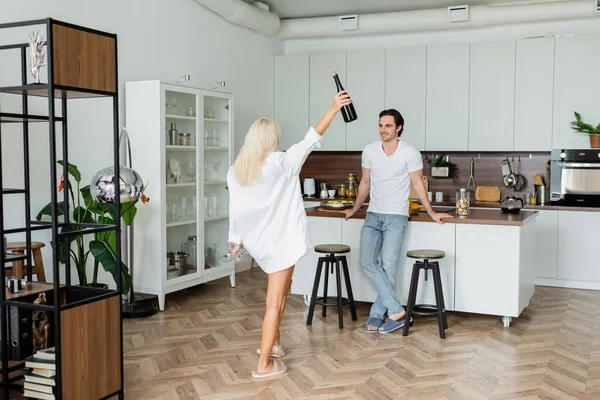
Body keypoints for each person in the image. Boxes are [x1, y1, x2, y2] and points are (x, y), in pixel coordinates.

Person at [227, 91, 352, 379]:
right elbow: (312, 137)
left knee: (282, 291)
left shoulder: (236, 171)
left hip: (261, 243)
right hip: (281, 242)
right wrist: (333, 108)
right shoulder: (281, 163)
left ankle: (276, 343)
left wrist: (236, 240)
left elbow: (236, 209)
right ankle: (264, 364)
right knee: (275, 302)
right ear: (271, 140)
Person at [342, 109, 452, 334]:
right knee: (366, 262)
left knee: (389, 267)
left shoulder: (409, 152)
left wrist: (430, 212)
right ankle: (396, 310)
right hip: (373, 214)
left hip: (396, 216)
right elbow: (365, 183)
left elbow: (418, 184)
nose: (383, 130)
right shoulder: (370, 151)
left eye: (388, 126)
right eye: (381, 126)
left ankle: (378, 314)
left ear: (399, 127)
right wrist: (355, 208)